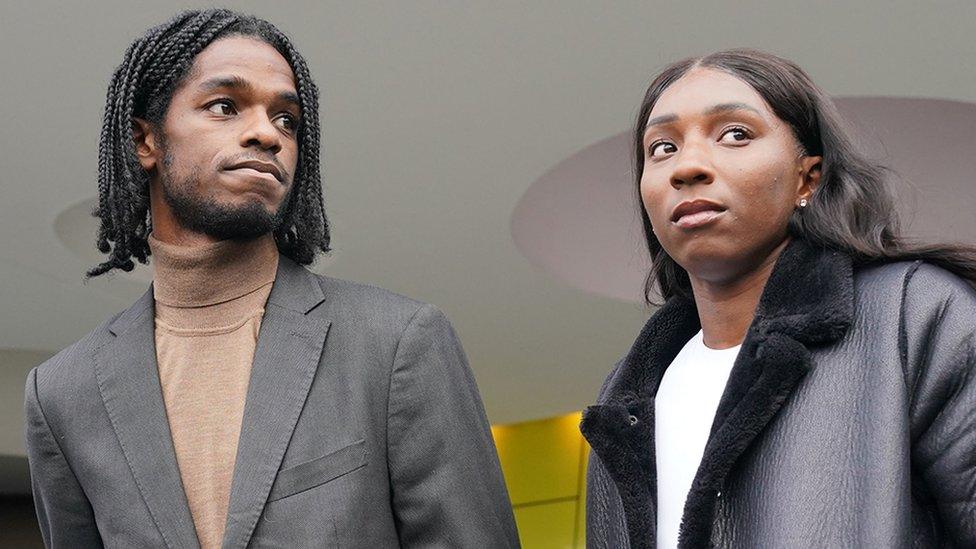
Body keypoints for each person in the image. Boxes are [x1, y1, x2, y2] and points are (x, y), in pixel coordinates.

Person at [24, 9, 519, 548]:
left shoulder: (397, 342)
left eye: (287, 119)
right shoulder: (62, 394)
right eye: (224, 106)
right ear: (146, 140)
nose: (267, 133)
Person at [579, 49, 976, 548]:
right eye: (662, 148)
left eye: (735, 134)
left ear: (808, 177)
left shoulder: (916, 315)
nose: (688, 167)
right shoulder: (628, 392)